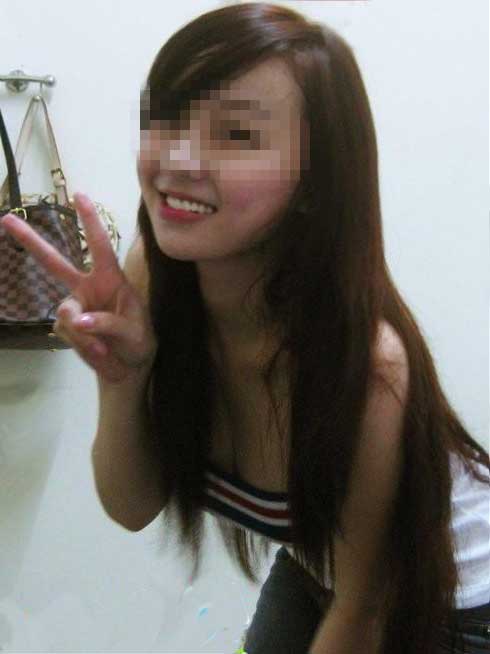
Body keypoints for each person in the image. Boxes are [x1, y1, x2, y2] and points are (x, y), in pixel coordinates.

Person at [1, 3, 489, 653]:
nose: (177, 159)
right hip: (318, 563)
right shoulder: (155, 275)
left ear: (314, 180)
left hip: (454, 600)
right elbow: (132, 507)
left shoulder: (367, 366)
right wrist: (121, 381)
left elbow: (364, 609)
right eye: (168, 117)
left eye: (235, 135)